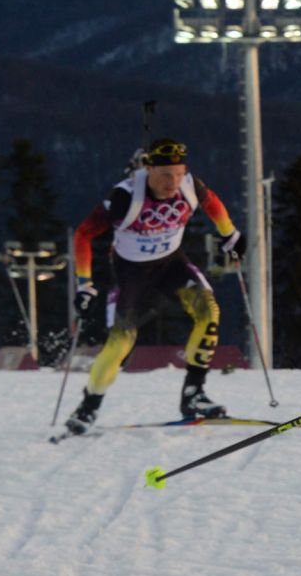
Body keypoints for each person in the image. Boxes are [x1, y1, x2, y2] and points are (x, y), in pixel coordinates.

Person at [62, 138, 243, 435]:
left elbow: (211, 202)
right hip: (132, 275)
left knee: (208, 311)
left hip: (171, 265)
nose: (172, 183)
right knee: (121, 341)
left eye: (177, 174)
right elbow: (83, 234)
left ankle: (193, 395)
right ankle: (88, 408)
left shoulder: (189, 187)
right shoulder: (125, 197)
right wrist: (84, 284)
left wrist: (230, 234)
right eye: (164, 176)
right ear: (148, 171)